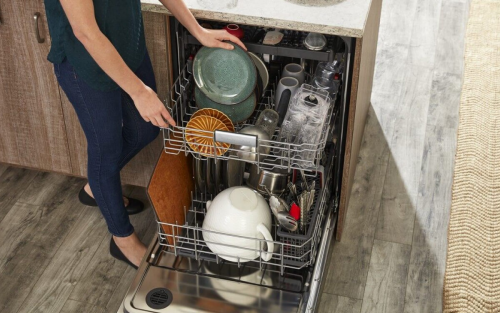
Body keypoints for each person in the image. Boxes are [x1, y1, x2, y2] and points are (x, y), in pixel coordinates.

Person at [43, 0, 245, 269]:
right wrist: (139, 92)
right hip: (85, 60)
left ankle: (98, 185)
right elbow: (86, 32)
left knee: (145, 130)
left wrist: (198, 30)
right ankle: (122, 239)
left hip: (127, 45)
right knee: (106, 150)